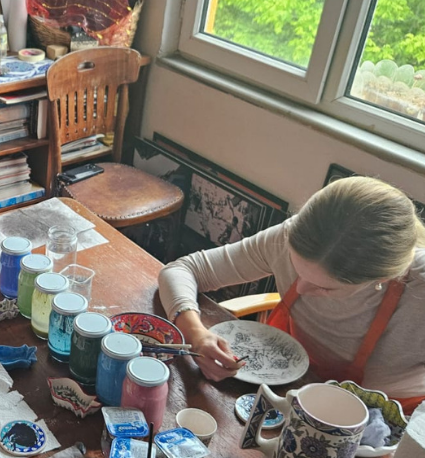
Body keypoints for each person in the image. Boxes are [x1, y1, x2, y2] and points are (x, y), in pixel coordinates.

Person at [159, 176, 425, 413]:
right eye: (298, 271)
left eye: (325, 287)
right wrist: (195, 333)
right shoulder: (293, 238)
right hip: (286, 389)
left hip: (383, 429)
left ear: (382, 278)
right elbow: (183, 270)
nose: (299, 290)